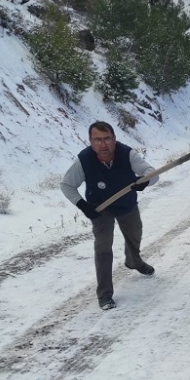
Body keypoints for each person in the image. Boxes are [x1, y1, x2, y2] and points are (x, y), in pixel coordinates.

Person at [61, 121, 158, 310]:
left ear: (114, 139)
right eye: (97, 140)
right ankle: (105, 294)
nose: (103, 144)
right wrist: (82, 205)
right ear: (90, 141)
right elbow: (66, 185)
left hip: (126, 204)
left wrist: (144, 181)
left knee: (135, 236)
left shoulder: (127, 154)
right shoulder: (84, 160)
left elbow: (152, 173)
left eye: (107, 139)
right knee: (103, 248)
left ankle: (134, 261)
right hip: (100, 208)